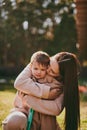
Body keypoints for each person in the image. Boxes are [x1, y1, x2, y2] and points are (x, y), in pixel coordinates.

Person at [2, 51, 63, 130]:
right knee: (15, 121)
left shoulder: (51, 81)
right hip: (24, 110)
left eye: (42, 69)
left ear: (47, 68)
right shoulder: (28, 77)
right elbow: (19, 85)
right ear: (30, 67)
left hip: (44, 116)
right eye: (36, 68)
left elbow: (56, 98)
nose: (38, 72)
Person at [21, 52, 80, 130]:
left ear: (60, 77)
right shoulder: (40, 62)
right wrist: (47, 93)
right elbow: (19, 83)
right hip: (24, 111)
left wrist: (29, 100)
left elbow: (56, 108)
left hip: (46, 120)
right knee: (14, 122)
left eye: (52, 71)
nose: (46, 70)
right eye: (49, 64)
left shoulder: (60, 85)